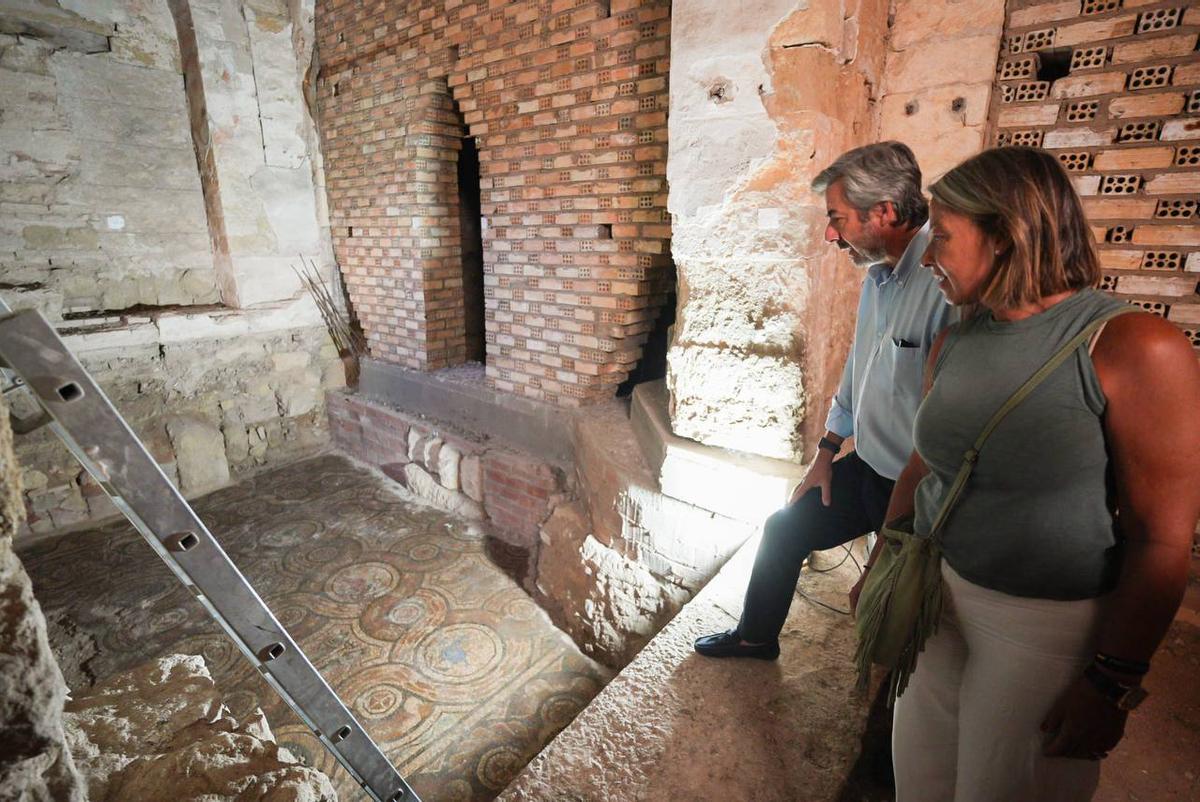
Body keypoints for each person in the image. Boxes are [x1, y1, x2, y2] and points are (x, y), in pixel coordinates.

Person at [870, 146, 1200, 802]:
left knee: (1007, 787)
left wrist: (1111, 682)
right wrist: (887, 561)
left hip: (1039, 625)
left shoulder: (1134, 347)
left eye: (944, 237)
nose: (928, 257)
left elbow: (1160, 538)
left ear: (1006, 235)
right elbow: (922, 462)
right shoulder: (959, 336)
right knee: (921, 780)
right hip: (937, 593)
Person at [694, 142, 956, 660]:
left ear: (882, 212)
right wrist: (826, 454)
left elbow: (943, 427)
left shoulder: (940, 282)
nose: (830, 233)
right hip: (871, 468)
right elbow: (858, 369)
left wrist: (887, 543)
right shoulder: (879, 276)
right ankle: (755, 637)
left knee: (889, 618)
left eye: (836, 218)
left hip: (918, 486)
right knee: (784, 528)